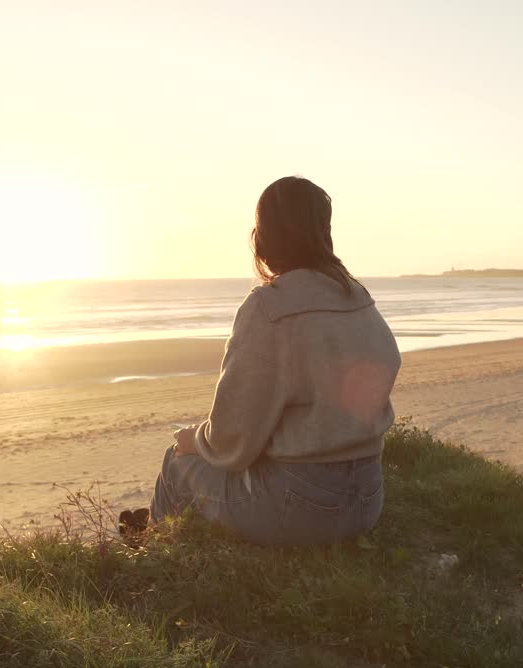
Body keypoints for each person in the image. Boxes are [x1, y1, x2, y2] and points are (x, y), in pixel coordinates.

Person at [135, 177, 402, 546]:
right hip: (367, 499)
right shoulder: (357, 296)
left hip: (303, 508)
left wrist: (191, 439)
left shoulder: (268, 307)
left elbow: (231, 441)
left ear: (264, 236)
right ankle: (152, 534)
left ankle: (152, 555)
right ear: (323, 232)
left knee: (176, 464)